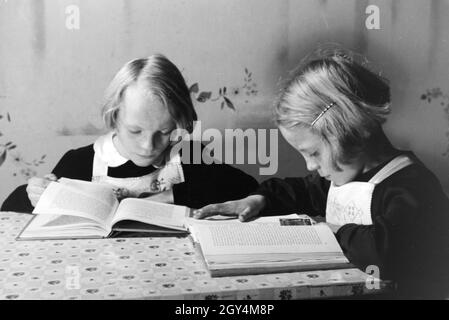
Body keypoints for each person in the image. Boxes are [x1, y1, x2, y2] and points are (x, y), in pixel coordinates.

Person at [193, 48, 449, 299]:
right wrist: (258, 200)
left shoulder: (413, 186)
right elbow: (300, 190)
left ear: (353, 132)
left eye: (313, 153)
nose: (309, 166)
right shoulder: (341, 178)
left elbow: (387, 251)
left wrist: (329, 230)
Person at [2, 54, 258, 215]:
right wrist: (33, 195)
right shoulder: (79, 163)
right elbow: (10, 211)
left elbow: (252, 191)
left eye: (165, 132)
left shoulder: (193, 158)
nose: (148, 146)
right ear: (114, 117)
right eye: (135, 131)